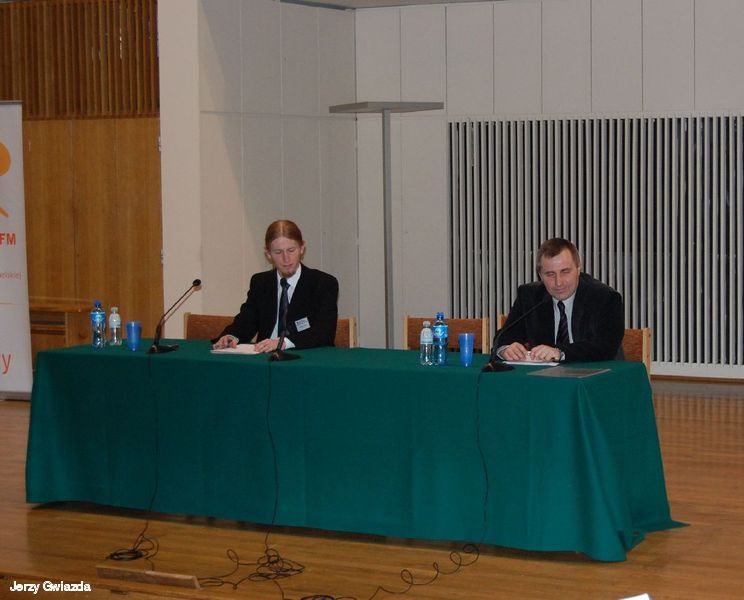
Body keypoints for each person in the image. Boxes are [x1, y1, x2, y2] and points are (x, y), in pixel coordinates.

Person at [212, 220, 338, 353]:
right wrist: (231, 336)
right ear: (268, 253)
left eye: (291, 250)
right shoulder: (260, 282)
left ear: (302, 248)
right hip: (264, 357)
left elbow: (324, 333)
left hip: (307, 357)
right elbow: (247, 321)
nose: (286, 259)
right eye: (278, 252)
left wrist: (283, 342)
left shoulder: (323, 283)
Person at [493, 238, 624, 363]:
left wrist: (560, 352)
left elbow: (605, 346)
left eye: (565, 272)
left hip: (597, 373)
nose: (558, 282)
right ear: (540, 275)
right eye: (550, 274)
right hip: (545, 375)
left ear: (578, 269)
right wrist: (506, 349)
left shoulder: (605, 298)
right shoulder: (530, 296)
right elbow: (505, 335)